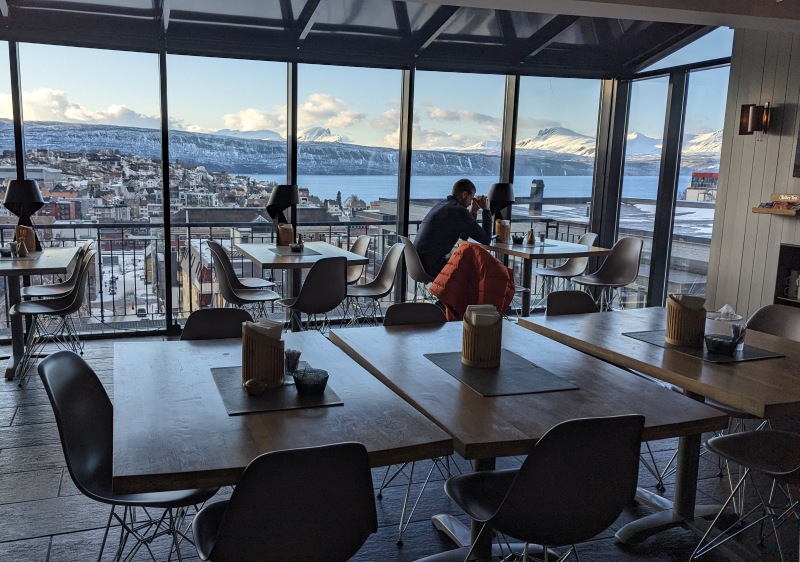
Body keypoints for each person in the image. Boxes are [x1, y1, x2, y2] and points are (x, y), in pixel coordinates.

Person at [413, 178, 493, 277]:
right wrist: (486, 210)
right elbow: (486, 239)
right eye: (471, 198)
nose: (470, 203)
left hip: (416, 264)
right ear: (464, 195)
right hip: (431, 266)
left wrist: (473, 212)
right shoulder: (459, 211)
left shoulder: (443, 204)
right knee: (475, 270)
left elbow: (463, 236)